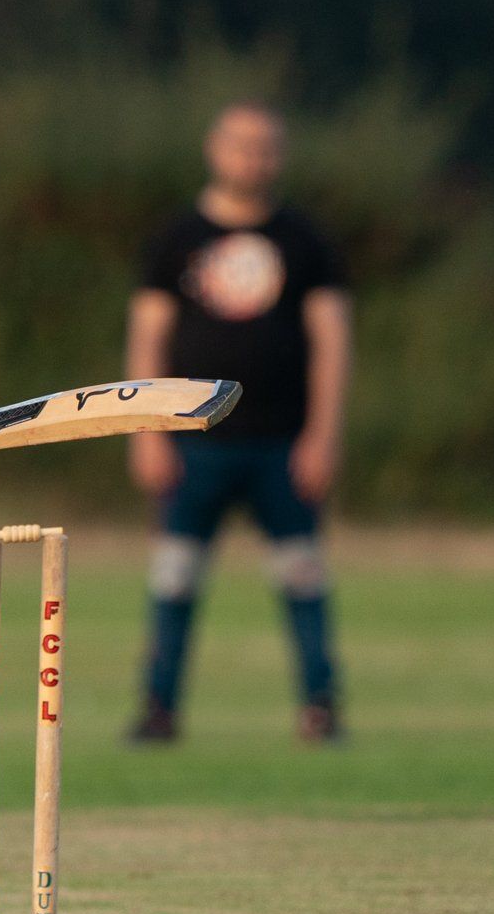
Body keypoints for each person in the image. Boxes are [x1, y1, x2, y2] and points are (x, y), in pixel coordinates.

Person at [124, 101, 351, 745]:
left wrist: (323, 434)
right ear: (214, 148)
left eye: (266, 147)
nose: (253, 158)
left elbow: (332, 343)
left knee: (304, 578)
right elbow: (147, 341)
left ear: (279, 155)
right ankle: (158, 710)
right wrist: (147, 433)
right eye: (241, 145)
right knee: (174, 580)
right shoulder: (176, 239)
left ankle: (321, 707)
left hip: (283, 443)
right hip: (192, 446)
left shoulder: (305, 242)